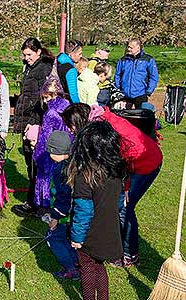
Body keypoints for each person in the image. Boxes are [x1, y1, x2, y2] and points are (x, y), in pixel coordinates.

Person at [62, 103, 163, 267]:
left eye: (70, 125)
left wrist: (126, 187)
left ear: (79, 121)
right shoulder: (96, 124)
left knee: (124, 208)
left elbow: (117, 162)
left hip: (146, 163)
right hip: (130, 163)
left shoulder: (104, 130)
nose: (69, 130)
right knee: (114, 205)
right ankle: (113, 246)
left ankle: (129, 254)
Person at [68, 121, 125, 300]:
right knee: (99, 267)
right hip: (109, 230)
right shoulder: (116, 171)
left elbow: (83, 211)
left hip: (90, 233)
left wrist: (77, 237)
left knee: (87, 268)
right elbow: (119, 201)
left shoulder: (84, 175)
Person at [11, 38, 54, 216]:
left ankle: (36, 203)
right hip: (27, 119)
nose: (26, 57)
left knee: (37, 164)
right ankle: (35, 201)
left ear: (38, 52)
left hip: (35, 122)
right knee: (30, 164)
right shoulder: (30, 67)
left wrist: (34, 121)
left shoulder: (44, 68)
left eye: (29, 54)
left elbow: (42, 99)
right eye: (24, 54)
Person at [32, 77, 70, 216]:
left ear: (55, 95)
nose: (46, 101)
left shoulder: (50, 113)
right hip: (65, 149)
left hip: (50, 151)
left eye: (47, 97)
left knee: (45, 178)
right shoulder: (67, 107)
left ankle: (44, 206)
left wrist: (38, 153)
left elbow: (45, 136)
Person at [44, 131, 79, 280]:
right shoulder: (74, 164)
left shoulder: (61, 171)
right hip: (75, 214)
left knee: (54, 238)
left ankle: (70, 267)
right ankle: (77, 262)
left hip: (63, 215)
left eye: (50, 151)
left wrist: (55, 217)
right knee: (70, 238)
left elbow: (63, 197)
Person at [114, 38, 159, 109]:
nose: (128, 49)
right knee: (124, 117)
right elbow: (117, 75)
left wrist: (148, 91)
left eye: (131, 47)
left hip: (141, 94)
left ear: (138, 48)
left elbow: (154, 77)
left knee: (140, 117)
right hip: (125, 94)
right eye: (128, 47)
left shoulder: (148, 59)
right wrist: (118, 89)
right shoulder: (123, 60)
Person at [57, 40, 83, 104]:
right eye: (79, 54)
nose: (81, 56)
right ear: (71, 54)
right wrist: (78, 106)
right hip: (65, 104)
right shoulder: (70, 70)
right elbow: (73, 93)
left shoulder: (57, 61)